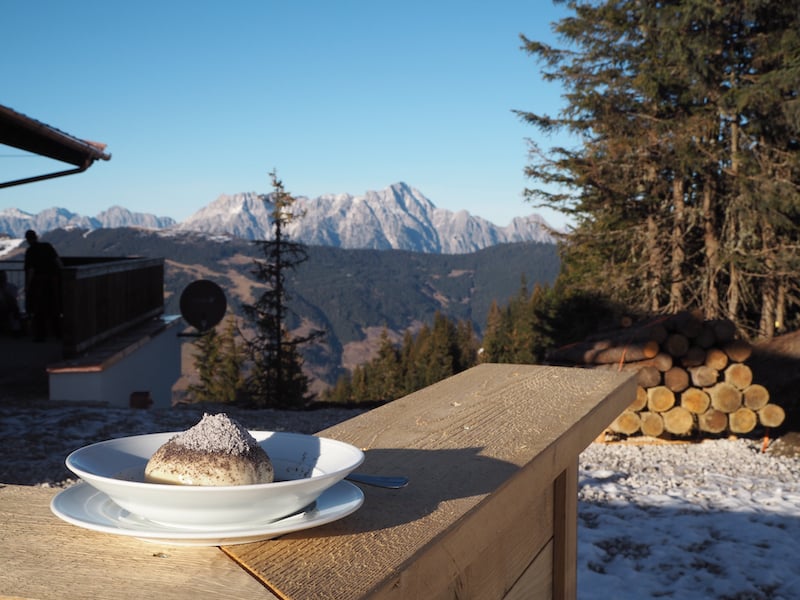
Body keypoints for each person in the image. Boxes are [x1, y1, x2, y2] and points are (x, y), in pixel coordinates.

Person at [24, 230, 63, 341]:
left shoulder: (30, 251)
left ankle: (41, 335)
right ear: (36, 237)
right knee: (54, 308)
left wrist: (27, 286)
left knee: (38, 310)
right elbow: (58, 261)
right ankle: (58, 333)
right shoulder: (47, 246)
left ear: (27, 239)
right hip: (52, 281)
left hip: (38, 283)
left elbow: (31, 269)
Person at [0, 270, 22, 336]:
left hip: (8, 307)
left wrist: (4, 291)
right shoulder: (11, 286)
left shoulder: (11, 287)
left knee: (14, 308)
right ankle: (16, 330)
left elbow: (13, 299)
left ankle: (16, 330)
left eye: (3, 276)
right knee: (14, 308)